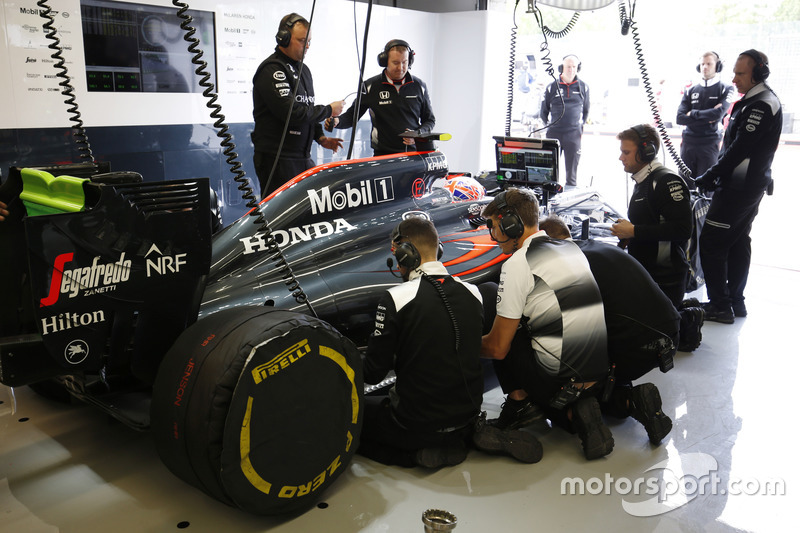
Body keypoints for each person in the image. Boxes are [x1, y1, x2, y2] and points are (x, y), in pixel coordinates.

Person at [359, 217, 541, 467]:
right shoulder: (473, 293)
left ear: (406, 254)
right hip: (467, 418)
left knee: (354, 416)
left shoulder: (395, 299)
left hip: (416, 426)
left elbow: (372, 373)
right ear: (439, 249)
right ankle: (460, 440)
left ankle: (414, 456)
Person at [480, 188, 614, 460]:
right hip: (599, 372)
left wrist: (457, 341)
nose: (493, 238)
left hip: (558, 380)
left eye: (494, 228)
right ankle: (575, 412)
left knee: (492, 305)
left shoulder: (519, 263)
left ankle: (520, 404)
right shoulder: (571, 247)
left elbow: (498, 349)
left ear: (511, 224)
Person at [539, 215, 675, 445]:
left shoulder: (568, 266)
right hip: (669, 334)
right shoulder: (598, 247)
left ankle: (582, 412)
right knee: (609, 377)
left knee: (560, 378)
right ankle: (631, 400)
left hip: (630, 345)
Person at [695, 49, 782, 323]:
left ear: (759, 73)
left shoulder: (761, 104)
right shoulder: (752, 101)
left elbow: (740, 148)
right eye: (733, 72)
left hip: (739, 188)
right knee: (737, 240)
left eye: (740, 73)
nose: (734, 79)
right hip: (744, 186)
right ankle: (735, 301)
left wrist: (711, 174)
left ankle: (720, 305)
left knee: (711, 241)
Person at [611, 124, 704, 352]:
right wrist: (628, 235)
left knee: (648, 345)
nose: (620, 157)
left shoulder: (666, 182)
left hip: (665, 276)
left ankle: (688, 318)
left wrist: (634, 231)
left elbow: (682, 230)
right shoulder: (643, 180)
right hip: (646, 270)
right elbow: (651, 222)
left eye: (626, 152)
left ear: (647, 152)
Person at [251, 13, 345, 197]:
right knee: (281, 219)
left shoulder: (304, 70)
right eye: (302, 41)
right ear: (283, 38)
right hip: (277, 159)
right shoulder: (272, 69)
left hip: (302, 157)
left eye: (309, 41)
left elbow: (306, 106)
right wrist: (328, 110)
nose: (307, 46)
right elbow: (290, 113)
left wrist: (320, 137)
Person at [325, 39, 435, 156]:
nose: (401, 67)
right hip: (382, 155)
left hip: (413, 155)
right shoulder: (370, 86)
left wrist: (417, 134)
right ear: (384, 61)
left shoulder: (420, 86)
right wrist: (337, 121)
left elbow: (429, 120)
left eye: (404, 62)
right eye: (396, 63)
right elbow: (352, 116)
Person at [676, 51, 735, 181]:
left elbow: (718, 114)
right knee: (684, 184)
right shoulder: (690, 90)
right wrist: (707, 116)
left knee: (706, 186)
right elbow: (680, 118)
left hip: (709, 143)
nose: (705, 67)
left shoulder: (726, 88)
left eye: (709, 63)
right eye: (702, 64)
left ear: (717, 66)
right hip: (688, 142)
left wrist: (692, 114)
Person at [539, 54, 590, 187]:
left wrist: (579, 127)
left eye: (574, 67)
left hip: (573, 134)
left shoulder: (584, 87)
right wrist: (548, 125)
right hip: (554, 133)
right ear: (562, 67)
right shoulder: (552, 87)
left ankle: (569, 199)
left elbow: (586, 111)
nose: (571, 69)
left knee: (572, 176)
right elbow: (543, 111)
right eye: (568, 66)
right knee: (548, 172)